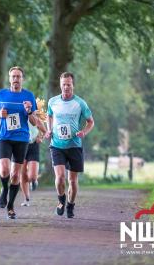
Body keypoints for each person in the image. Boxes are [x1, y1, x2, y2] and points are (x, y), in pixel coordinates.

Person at [0, 66, 38, 219]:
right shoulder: (1, 94)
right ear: (9, 78)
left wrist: (29, 111)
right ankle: (4, 191)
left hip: (21, 138)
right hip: (4, 136)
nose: (16, 79)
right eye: (13, 76)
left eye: (18, 76)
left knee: (16, 175)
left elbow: (35, 122)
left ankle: (10, 206)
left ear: (22, 79)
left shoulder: (29, 96)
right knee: (4, 170)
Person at [45, 72, 94, 218]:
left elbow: (91, 121)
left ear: (73, 85)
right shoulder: (52, 101)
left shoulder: (80, 103)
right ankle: (61, 201)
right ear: (60, 85)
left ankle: (71, 205)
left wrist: (84, 132)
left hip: (74, 145)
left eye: (69, 84)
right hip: (57, 145)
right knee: (60, 177)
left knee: (72, 180)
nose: (66, 87)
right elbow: (49, 115)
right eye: (64, 84)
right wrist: (49, 129)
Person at [19, 100, 47, 207]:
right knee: (22, 174)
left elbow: (45, 132)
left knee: (32, 175)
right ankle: (27, 199)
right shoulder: (20, 117)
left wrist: (41, 137)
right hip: (21, 145)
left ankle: (34, 180)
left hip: (33, 145)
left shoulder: (35, 118)